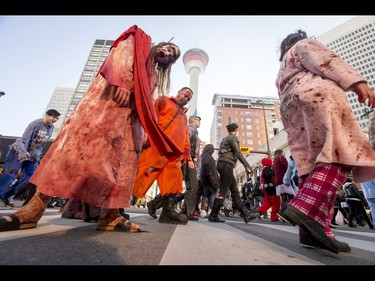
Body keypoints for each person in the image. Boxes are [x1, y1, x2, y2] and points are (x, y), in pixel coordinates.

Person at [0, 25, 181, 233]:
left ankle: (110, 215)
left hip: (128, 125)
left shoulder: (153, 77)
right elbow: (120, 53)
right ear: (161, 43)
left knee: (122, 168)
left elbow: (146, 105)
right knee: (73, 152)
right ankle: (33, 209)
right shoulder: (138, 42)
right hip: (105, 108)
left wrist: (146, 132)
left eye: (171, 56)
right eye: (169, 48)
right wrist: (122, 81)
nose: (167, 53)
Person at [275, 29, 375, 253]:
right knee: (339, 152)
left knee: (310, 164)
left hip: (293, 110)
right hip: (319, 97)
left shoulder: (282, 67)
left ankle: (312, 231)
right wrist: (357, 82)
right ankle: (304, 207)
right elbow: (327, 61)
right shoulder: (303, 45)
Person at [132, 87, 194, 225]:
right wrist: (146, 133)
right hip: (156, 147)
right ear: (179, 92)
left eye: (188, 99)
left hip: (174, 155)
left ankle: (167, 213)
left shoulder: (184, 116)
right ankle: (114, 208)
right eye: (185, 95)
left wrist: (186, 156)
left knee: (174, 181)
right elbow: (150, 116)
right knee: (141, 175)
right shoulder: (163, 101)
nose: (185, 99)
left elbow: (185, 138)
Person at [0, 109, 61, 208]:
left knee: (30, 178)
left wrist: (37, 155)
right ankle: (1, 193)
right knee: (10, 174)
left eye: (56, 118)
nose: (54, 119)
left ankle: (7, 195)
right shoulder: (36, 123)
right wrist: (25, 153)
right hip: (19, 151)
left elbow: (42, 143)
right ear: (47, 115)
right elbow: (25, 138)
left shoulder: (51, 128)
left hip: (33, 156)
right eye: (53, 117)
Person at [208, 122, 258, 223]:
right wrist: (248, 167)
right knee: (223, 191)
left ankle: (246, 215)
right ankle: (213, 215)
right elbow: (238, 153)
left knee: (234, 190)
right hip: (227, 165)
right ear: (236, 130)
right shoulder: (233, 138)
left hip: (223, 164)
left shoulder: (225, 139)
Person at [180, 115, 202, 221]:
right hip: (188, 160)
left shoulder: (194, 131)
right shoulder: (191, 128)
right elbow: (185, 141)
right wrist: (189, 159)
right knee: (193, 187)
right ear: (193, 120)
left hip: (189, 160)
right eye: (198, 120)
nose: (200, 122)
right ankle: (189, 212)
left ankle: (186, 210)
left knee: (189, 187)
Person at [257, 157, 280, 222]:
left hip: (264, 189)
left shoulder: (262, 169)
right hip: (270, 188)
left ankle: (260, 211)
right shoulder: (267, 168)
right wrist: (276, 180)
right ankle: (274, 217)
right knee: (276, 202)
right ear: (268, 162)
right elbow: (270, 176)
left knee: (268, 202)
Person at [199, 143, 220, 217]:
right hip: (210, 180)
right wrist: (212, 179)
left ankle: (204, 210)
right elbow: (207, 168)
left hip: (206, 181)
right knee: (212, 195)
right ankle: (210, 210)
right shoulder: (207, 157)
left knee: (206, 195)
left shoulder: (204, 156)